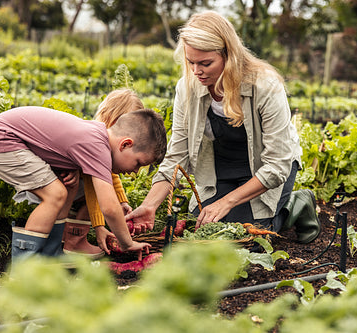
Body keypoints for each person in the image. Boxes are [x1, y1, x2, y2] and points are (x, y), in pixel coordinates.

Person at [126, 11, 320, 244]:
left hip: (265, 166)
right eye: (191, 62)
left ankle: (296, 204)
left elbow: (277, 164)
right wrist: (149, 206)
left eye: (206, 63)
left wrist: (226, 201)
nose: (196, 71)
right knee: (205, 226)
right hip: (222, 165)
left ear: (229, 56)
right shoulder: (187, 89)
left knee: (247, 236)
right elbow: (177, 156)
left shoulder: (265, 86)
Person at [0, 106, 167, 263]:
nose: (135, 171)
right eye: (139, 163)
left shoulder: (96, 136)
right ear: (125, 144)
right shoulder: (98, 147)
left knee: (68, 186)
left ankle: (50, 255)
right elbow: (109, 208)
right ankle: (24, 267)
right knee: (55, 194)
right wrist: (127, 243)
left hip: (6, 137)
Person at [62, 89, 144, 259]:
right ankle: (75, 241)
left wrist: (122, 200)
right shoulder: (98, 143)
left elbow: (110, 174)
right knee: (98, 196)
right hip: (65, 183)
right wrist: (99, 227)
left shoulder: (104, 140)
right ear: (112, 120)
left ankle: (69, 234)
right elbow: (94, 188)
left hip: (72, 186)